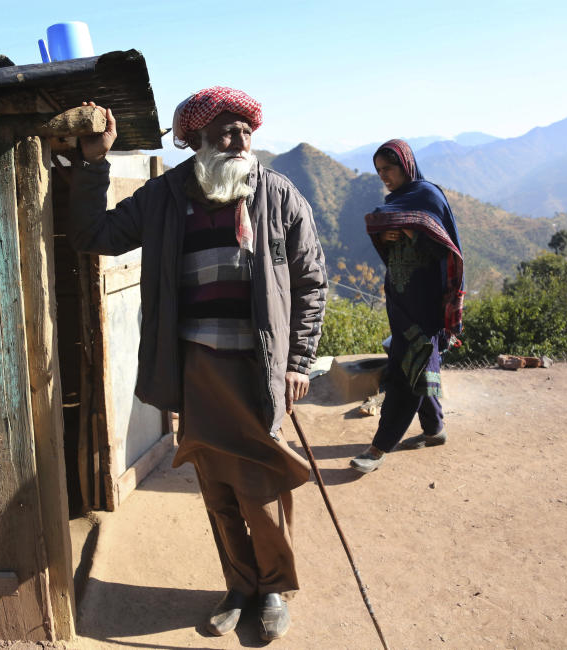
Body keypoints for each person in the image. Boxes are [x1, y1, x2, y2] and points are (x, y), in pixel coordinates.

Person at [69, 87, 327, 641]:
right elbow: (95, 236)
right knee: (217, 486)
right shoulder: (165, 196)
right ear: (197, 140)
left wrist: (299, 361)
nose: (239, 142)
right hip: (196, 367)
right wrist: (93, 164)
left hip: (259, 371)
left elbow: (311, 283)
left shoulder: (279, 196)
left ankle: (273, 589)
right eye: (226, 132)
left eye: (246, 133)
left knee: (259, 485)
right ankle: (238, 587)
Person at [349, 139, 464, 474]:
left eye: (390, 168)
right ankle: (434, 429)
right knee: (410, 359)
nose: (385, 176)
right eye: (380, 171)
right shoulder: (396, 202)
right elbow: (385, 235)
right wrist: (389, 236)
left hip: (426, 303)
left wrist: (409, 234)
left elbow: (445, 246)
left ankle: (379, 446)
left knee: (409, 373)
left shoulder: (428, 195)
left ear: (407, 164)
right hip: (401, 300)